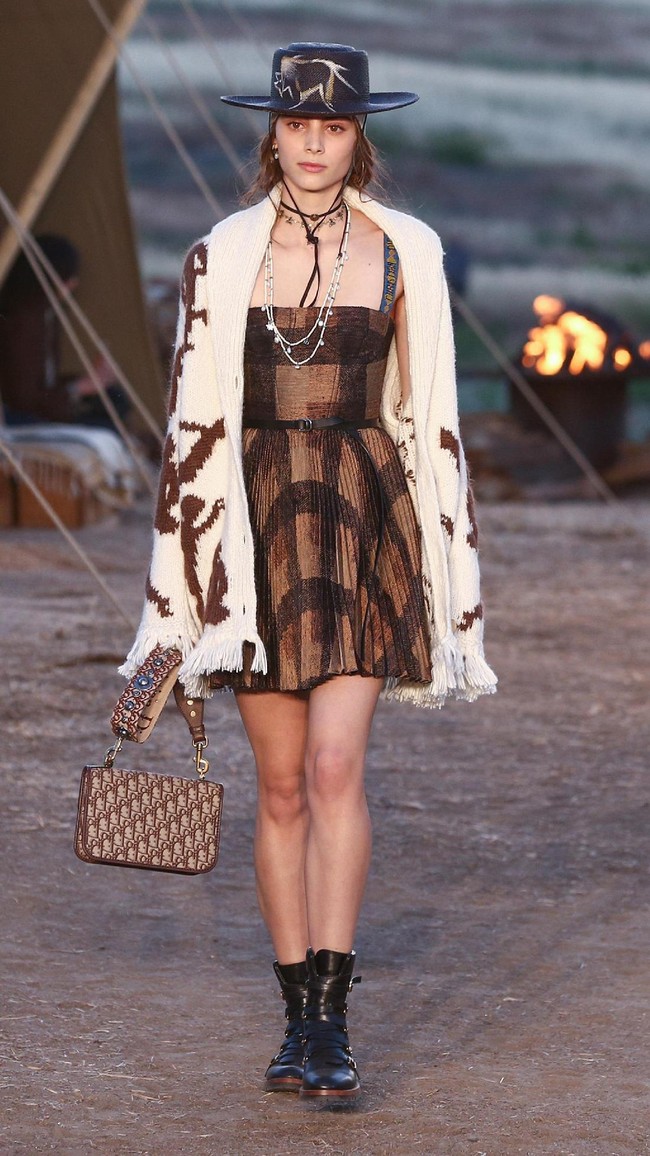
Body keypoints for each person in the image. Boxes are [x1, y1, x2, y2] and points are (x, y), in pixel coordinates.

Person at [120, 42, 496, 1102]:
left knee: (336, 770)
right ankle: (295, 1021)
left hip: (364, 517)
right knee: (279, 785)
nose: (316, 144)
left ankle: (331, 1023)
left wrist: (440, 555)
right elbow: (190, 434)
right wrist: (181, 594)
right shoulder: (222, 253)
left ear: (356, 136)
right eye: (298, 125)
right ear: (272, 133)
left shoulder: (403, 252)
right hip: (257, 527)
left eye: (334, 127)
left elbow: (431, 418)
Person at [0, 234, 129, 428]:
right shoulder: (22, 322)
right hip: (19, 418)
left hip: (39, 407)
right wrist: (82, 386)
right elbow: (23, 401)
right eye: (67, 277)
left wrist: (89, 380)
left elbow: (43, 382)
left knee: (115, 401)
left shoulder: (45, 314)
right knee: (104, 425)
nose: (73, 284)